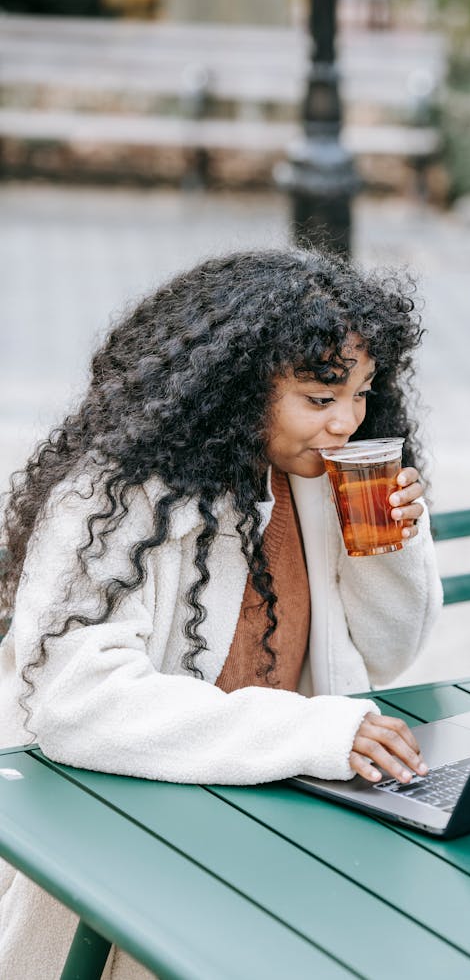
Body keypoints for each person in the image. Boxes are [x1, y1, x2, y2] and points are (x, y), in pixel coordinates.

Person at [0, 248, 443, 978]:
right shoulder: (116, 496)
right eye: (320, 396)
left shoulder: (316, 482)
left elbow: (388, 653)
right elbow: (75, 702)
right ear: (238, 387)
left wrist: (395, 544)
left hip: (269, 816)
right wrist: (315, 730)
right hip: (118, 840)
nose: (347, 422)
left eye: (363, 393)